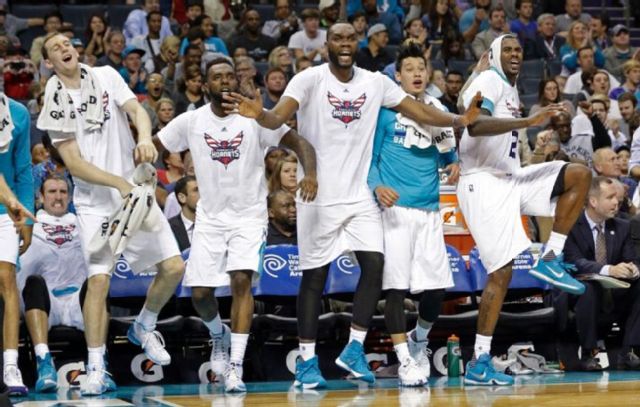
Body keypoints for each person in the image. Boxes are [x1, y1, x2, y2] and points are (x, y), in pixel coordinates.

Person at [226, 22, 483, 389]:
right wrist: (261, 114)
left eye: (350, 38)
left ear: (357, 43)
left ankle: (354, 347)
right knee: (315, 278)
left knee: (375, 266)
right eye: (338, 38)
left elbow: (419, 111)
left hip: (360, 195)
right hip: (318, 195)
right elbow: (278, 118)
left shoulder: (375, 82)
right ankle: (307, 362)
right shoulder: (309, 79)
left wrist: (459, 120)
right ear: (327, 44)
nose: (345, 44)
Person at [156, 58, 318, 393]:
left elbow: (300, 143)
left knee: (241, 282)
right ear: (206, 86)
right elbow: (154, 147)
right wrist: (143, 170)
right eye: (218, 77)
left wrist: (311, 174)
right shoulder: (191, 121)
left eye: (230, 76)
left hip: (249, 217)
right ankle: (219, 333)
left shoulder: (255, 118)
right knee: (201, 294)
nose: (226, 81)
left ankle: (235, 366)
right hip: (210, 218)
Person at [37, 33, 186, 396]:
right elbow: (74, 164)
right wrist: (118, 183)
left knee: (173, 268)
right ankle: (96, 367)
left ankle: (144, 325)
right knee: (99, 281)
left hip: (134, 192)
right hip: (95, 202)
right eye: (56, 48)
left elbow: (137, 111)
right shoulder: (54, 103)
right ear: (49, 63)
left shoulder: (105, 75)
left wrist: (145, 137)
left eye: (67, 43)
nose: (65, 48)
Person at [457, 34, 592, 386]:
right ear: (494, 55)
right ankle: (479, 361)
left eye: (519, 49)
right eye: (508, 50)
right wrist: (528, 123)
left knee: (578, 175)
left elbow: (461, 102)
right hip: (482, 182)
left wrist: (474, 76)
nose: (515, 53)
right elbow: (474, 123)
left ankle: (551, 256)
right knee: (501, 273)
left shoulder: (503, 85)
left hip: (511, 178)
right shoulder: (491, 80)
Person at [368, 43, 458, 387]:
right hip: (395, 212)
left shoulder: (439, 110)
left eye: (421, 68)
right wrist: (377, 186)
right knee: (395, 289)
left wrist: (454, 164)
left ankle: (418, 340)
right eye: (409, 69)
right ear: (397, 76)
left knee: (436, 288)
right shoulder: (386, 112)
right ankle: (404, 360)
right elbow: (370, 160)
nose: (417, 74)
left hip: (430, 211)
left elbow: (448, 153)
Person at [17, 175, 87, 393]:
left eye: (63, 192)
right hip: (46, 304)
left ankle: (99, 365)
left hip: (78, 301)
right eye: (52, 192)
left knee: (97, 283)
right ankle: (44, 362)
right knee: (33, 282)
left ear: (70, 197)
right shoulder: (30, 229)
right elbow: (20, 274)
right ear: (40, 197)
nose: (58, 197)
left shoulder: (84, 225)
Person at [564, 176, 640, 371]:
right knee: (589, 289)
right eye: (610, 197)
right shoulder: (570, 225)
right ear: (593, 201)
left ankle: (629, 350)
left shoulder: (622, 226)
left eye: (617, 198)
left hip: (614, 290)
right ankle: (588, 352)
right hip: (578, 288)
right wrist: (609, 270)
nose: (616, 202)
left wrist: (632, 269)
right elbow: (574, 261)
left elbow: (632, 258)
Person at [0, 91, 34, 396]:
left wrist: (27, 218)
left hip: (5, 212)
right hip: (8, 202)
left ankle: (11, 365)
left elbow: (23, 169)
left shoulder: (19, 114)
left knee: (6, 279)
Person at [169, 175, 198, 252]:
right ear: (182, 198)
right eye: (196, 190)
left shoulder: (215, 224)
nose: (202, 194)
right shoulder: (168, 229)